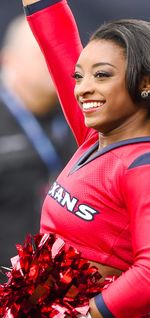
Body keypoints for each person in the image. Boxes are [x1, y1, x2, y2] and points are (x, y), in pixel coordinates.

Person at [21, 0, 150, 317]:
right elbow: (56, 39)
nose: (83, 88)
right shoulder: (95, 138)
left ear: (146, 83)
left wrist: (82, 314)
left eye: (101, 75)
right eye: (79, 76)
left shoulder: (149, 168)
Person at [0, 14, 75, 280]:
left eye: (56, 52)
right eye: (41, 52)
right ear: (7, 60)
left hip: (68, 288)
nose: (52, 62)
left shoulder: (84, 118)